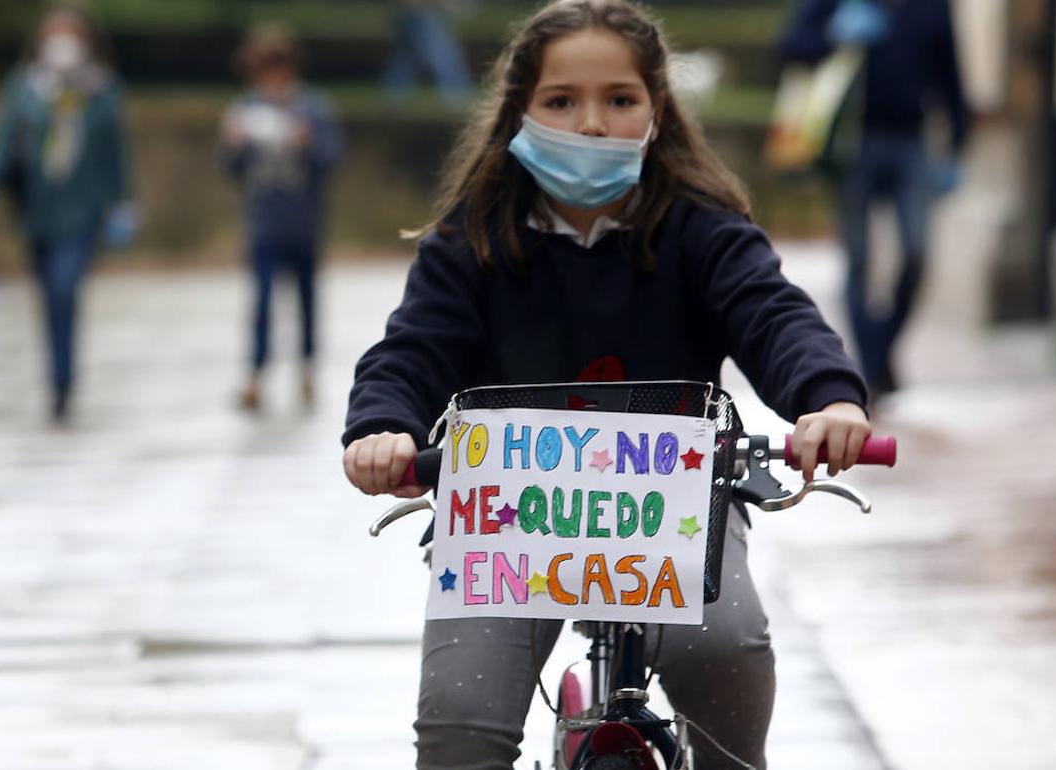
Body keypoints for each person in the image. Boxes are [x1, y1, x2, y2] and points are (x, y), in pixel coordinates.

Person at [341, 1, 873, 768]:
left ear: (657, 112)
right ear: (519, 112)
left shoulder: (703, 230)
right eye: (561, 101)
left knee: (726, 652)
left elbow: (774, 316)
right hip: (508, 519)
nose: (591, 124)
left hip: (678, 510)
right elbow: (413, 350)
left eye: (619, 100)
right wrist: (381, 426)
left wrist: (829, 399)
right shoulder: (474, 239)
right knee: (461, 719)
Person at [781, 0, 969, 403]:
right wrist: (833, 31)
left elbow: (951, 73)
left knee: (917, 254)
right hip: (853, 143)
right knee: (860, 260)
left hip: (912, 143)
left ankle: (879, 352)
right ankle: (870, 366)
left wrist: (956, 147)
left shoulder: (930, 7)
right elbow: (792, 47)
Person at [0, 3, 136, 423]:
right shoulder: (25, 87)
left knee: (64, 286)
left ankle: (63, 381)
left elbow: (116, 153)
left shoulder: (103, 90)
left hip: (84, 210)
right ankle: (57, 381)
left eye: (70, 34)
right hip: (38, 212)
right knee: (49, 296)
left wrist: (123, 203)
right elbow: (0, 140)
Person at [222, 25, 343, 410]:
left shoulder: (313, 108)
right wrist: (235, 145)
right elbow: (230, 168)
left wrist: (308, 142)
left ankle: (307, 369)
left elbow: (331, 157)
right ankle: (256, 374)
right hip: (263, 223)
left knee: (307, 300)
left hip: (304, 223)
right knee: (261, 301)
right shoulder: (244, 110)